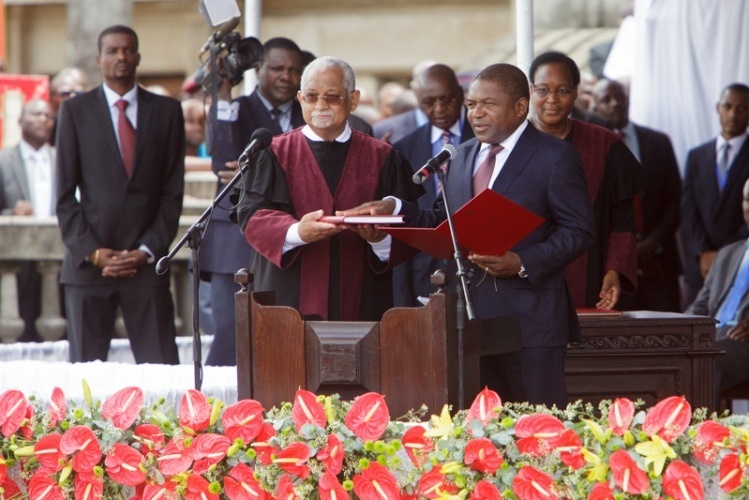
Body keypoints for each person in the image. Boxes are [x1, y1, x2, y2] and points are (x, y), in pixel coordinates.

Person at [344, 63, 595, 407]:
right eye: (471, 104)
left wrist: (523, 262)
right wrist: (394, 208)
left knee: (539, 429)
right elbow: (440, 217)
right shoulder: (459, 155)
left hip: (531, 321)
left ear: (520, 107)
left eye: (487, 104)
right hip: (469, 322)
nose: (476, 113)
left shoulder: (554, 156)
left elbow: (579, 230)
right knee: (481, 433)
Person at [236, 56, 421, 322]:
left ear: (353, 100)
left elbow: (410, 229)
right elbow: (251, 217)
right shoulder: (271, 153)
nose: (320, 105)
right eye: (311, 96)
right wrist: (298, 232)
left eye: (332, 97)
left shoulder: (384, 157)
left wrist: (378, 238)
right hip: (287, 298)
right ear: (300, 99)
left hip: (362, 298)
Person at [56, 25, 184, 364]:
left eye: (128, 50)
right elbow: (64, 197)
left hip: (145, 266)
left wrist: (146, 250)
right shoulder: (74, 112)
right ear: (99, 59)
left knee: (161, 374)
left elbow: (172, 194)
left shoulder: (168, 112)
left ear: (138, 56)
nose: (121, 57)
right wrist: (94, 253)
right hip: (89, 267)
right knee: (84, 381)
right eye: (112, 51)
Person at [202, 37, 306, 366]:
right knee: (231, 334)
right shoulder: (237, 108)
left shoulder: (310, 112)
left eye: (293, 70)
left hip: (290, 235)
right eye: (277, 68)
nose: (285, 76)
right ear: (258, 69)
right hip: (234, 237)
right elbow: (223, 164)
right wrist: (221, 92)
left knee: (284, 333)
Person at [529, 51, 641, 311]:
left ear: (577, 93)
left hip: (591, 273)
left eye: (564, 91)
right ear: (531, 91)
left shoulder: (604, 144)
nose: (552, 100)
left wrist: (615, 269)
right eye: (544, 90)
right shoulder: (510, 145)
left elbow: (623, 221)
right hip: (526, 276)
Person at [591, 78, 682, 311]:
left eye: (619, 97)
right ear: (594, 107)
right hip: (610, 266)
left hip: (658, 260)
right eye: (606, 99)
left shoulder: (658, 142)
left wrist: (652, 242)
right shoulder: (590, 147)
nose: (614, 104)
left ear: (628, 100)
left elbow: (676, 198)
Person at [391, 63, 474, 306]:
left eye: (447, 99)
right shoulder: (403, 149)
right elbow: (402, 229)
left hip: (477, 268)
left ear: (461, 95)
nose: (439, 109)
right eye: (428, 102)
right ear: (418, 100)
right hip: (423, 273)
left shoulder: (483, 139)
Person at [681, 83, 749, 308]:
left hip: (739, 261)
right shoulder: (696, 155)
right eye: (728, 106)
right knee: (692, 328)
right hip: (700, 263)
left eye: (741, 108)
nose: (733, 114)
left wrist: (723, 255)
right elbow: (689, 207)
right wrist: (703, 251)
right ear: (718, 108)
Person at [687, 178, 749, 403]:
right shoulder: (727, 253)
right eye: (747, 199)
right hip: (710, 337)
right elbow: (699, 307)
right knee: (666, 358)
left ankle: (701, 435)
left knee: (706, 363)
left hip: (742, 342)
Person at [0, 99, 56, 342]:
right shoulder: (3, 161)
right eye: (35, 114)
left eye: (48, 115)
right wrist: (11, 214)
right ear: (20, 121)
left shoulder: (62, 158)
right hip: (16, 265)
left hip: (55, 261)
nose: (43, 119)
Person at [373, 60, 435, 143]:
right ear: (414, 88)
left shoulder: (456, 124)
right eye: (426, 84)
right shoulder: (383, 131)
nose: (433, 92)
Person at [49, 67, 89, 146]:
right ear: (52, 97)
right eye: (65, 94)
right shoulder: (47, 127)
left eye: (79, 93)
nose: (72, 97)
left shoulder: (95, 123)